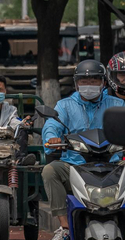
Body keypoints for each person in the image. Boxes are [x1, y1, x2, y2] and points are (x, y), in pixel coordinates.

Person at [42, 60, 124, 240]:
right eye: (84, 81)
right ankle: (64, 226)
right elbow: (52, 125)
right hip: (73, 163)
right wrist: (51, 138)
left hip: (113, 163)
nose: (89, 85)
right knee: (50, 171)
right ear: (76, 83)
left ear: (103, 83)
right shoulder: (64, 105)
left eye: (94, 81)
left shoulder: (117, 104)